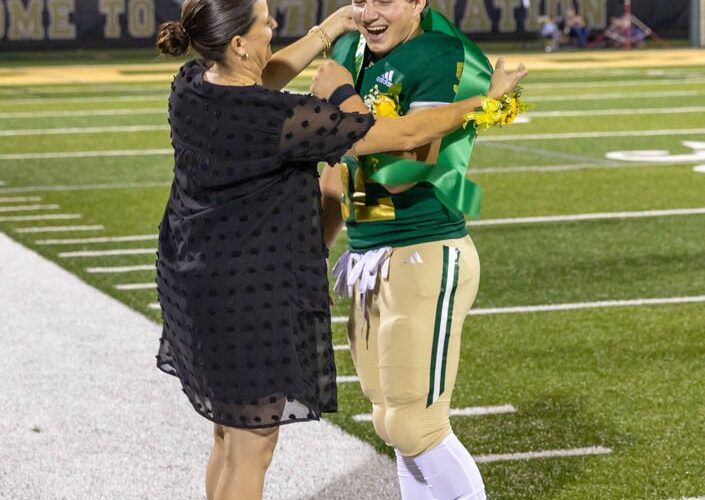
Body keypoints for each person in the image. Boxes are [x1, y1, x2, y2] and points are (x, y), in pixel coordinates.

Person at [154, 0, 528, 498]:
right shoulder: (274, 116)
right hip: (247, 291)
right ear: (239, 44)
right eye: (266, 22)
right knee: (252, 445)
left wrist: (329, 33)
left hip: (195, 280)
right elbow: (402, 138)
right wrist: (491, 100)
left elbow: (274, 76)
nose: (274, 26)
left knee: (235, 434)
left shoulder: (191, 85)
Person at [320, 2, 526, 499]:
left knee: (419, 426)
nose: (369, 12)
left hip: (424, 248)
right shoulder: (349, 48)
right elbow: (332, 166)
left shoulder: (437, 52)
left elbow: (405, 168)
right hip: (367, 257)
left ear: (417, 2)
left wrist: (343, 97)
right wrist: (316, 248)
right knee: (391, 423)